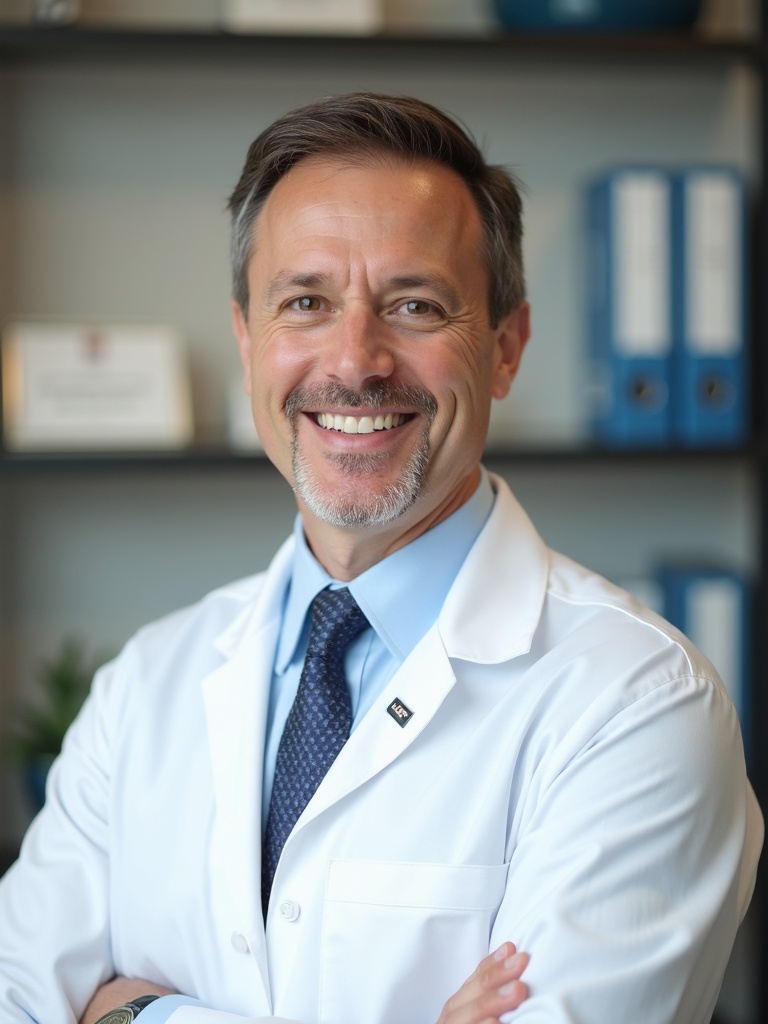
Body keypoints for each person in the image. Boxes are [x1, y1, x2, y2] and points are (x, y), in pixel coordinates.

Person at [0, 93, 762, 1024]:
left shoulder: (638, 707)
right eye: (306, 302)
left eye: (415, 304)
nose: (355, 361)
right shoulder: (145, 687)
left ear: (506, 347)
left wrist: (131, 1013)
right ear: (249, 341)